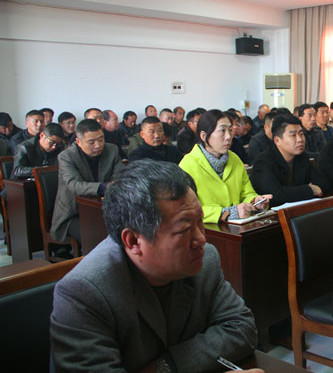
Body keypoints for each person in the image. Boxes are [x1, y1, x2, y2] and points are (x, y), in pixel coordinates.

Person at [50, 160, 260, 373]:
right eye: (184, 230)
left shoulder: (205, 260)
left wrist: (165, 367)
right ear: (133, 241)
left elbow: (242, 328)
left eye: (200, 222)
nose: (201, 239)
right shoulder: (83, 293)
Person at [179, 110, 270, 223]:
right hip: (207, 229)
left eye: (230, 130)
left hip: (237, 226)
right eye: (222, 131)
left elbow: (246, 193)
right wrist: (227, 213)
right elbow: (187, 209)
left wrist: (255, 201)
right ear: (204, 136)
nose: (228, 136)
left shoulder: (234, 159)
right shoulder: (188, 165)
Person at [50, 119, 125, 248]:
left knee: (127, 231)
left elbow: (122, 177)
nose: (98, 145)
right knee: (97, 237)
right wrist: (104, 187)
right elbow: (75, 185)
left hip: (106, 210)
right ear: (78, 142)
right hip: (74, 214)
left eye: (101, 139)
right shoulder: (67, 156)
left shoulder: (112, 150)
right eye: (91, 142)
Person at [250, 115, 327, 206]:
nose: (300, 140)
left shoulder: (301, 156)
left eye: (301, 134)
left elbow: (323, 183)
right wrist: (310, 190)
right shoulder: (263, 162)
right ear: (277, 140)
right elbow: (275, 195)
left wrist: (295, 192)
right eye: (293, 135)